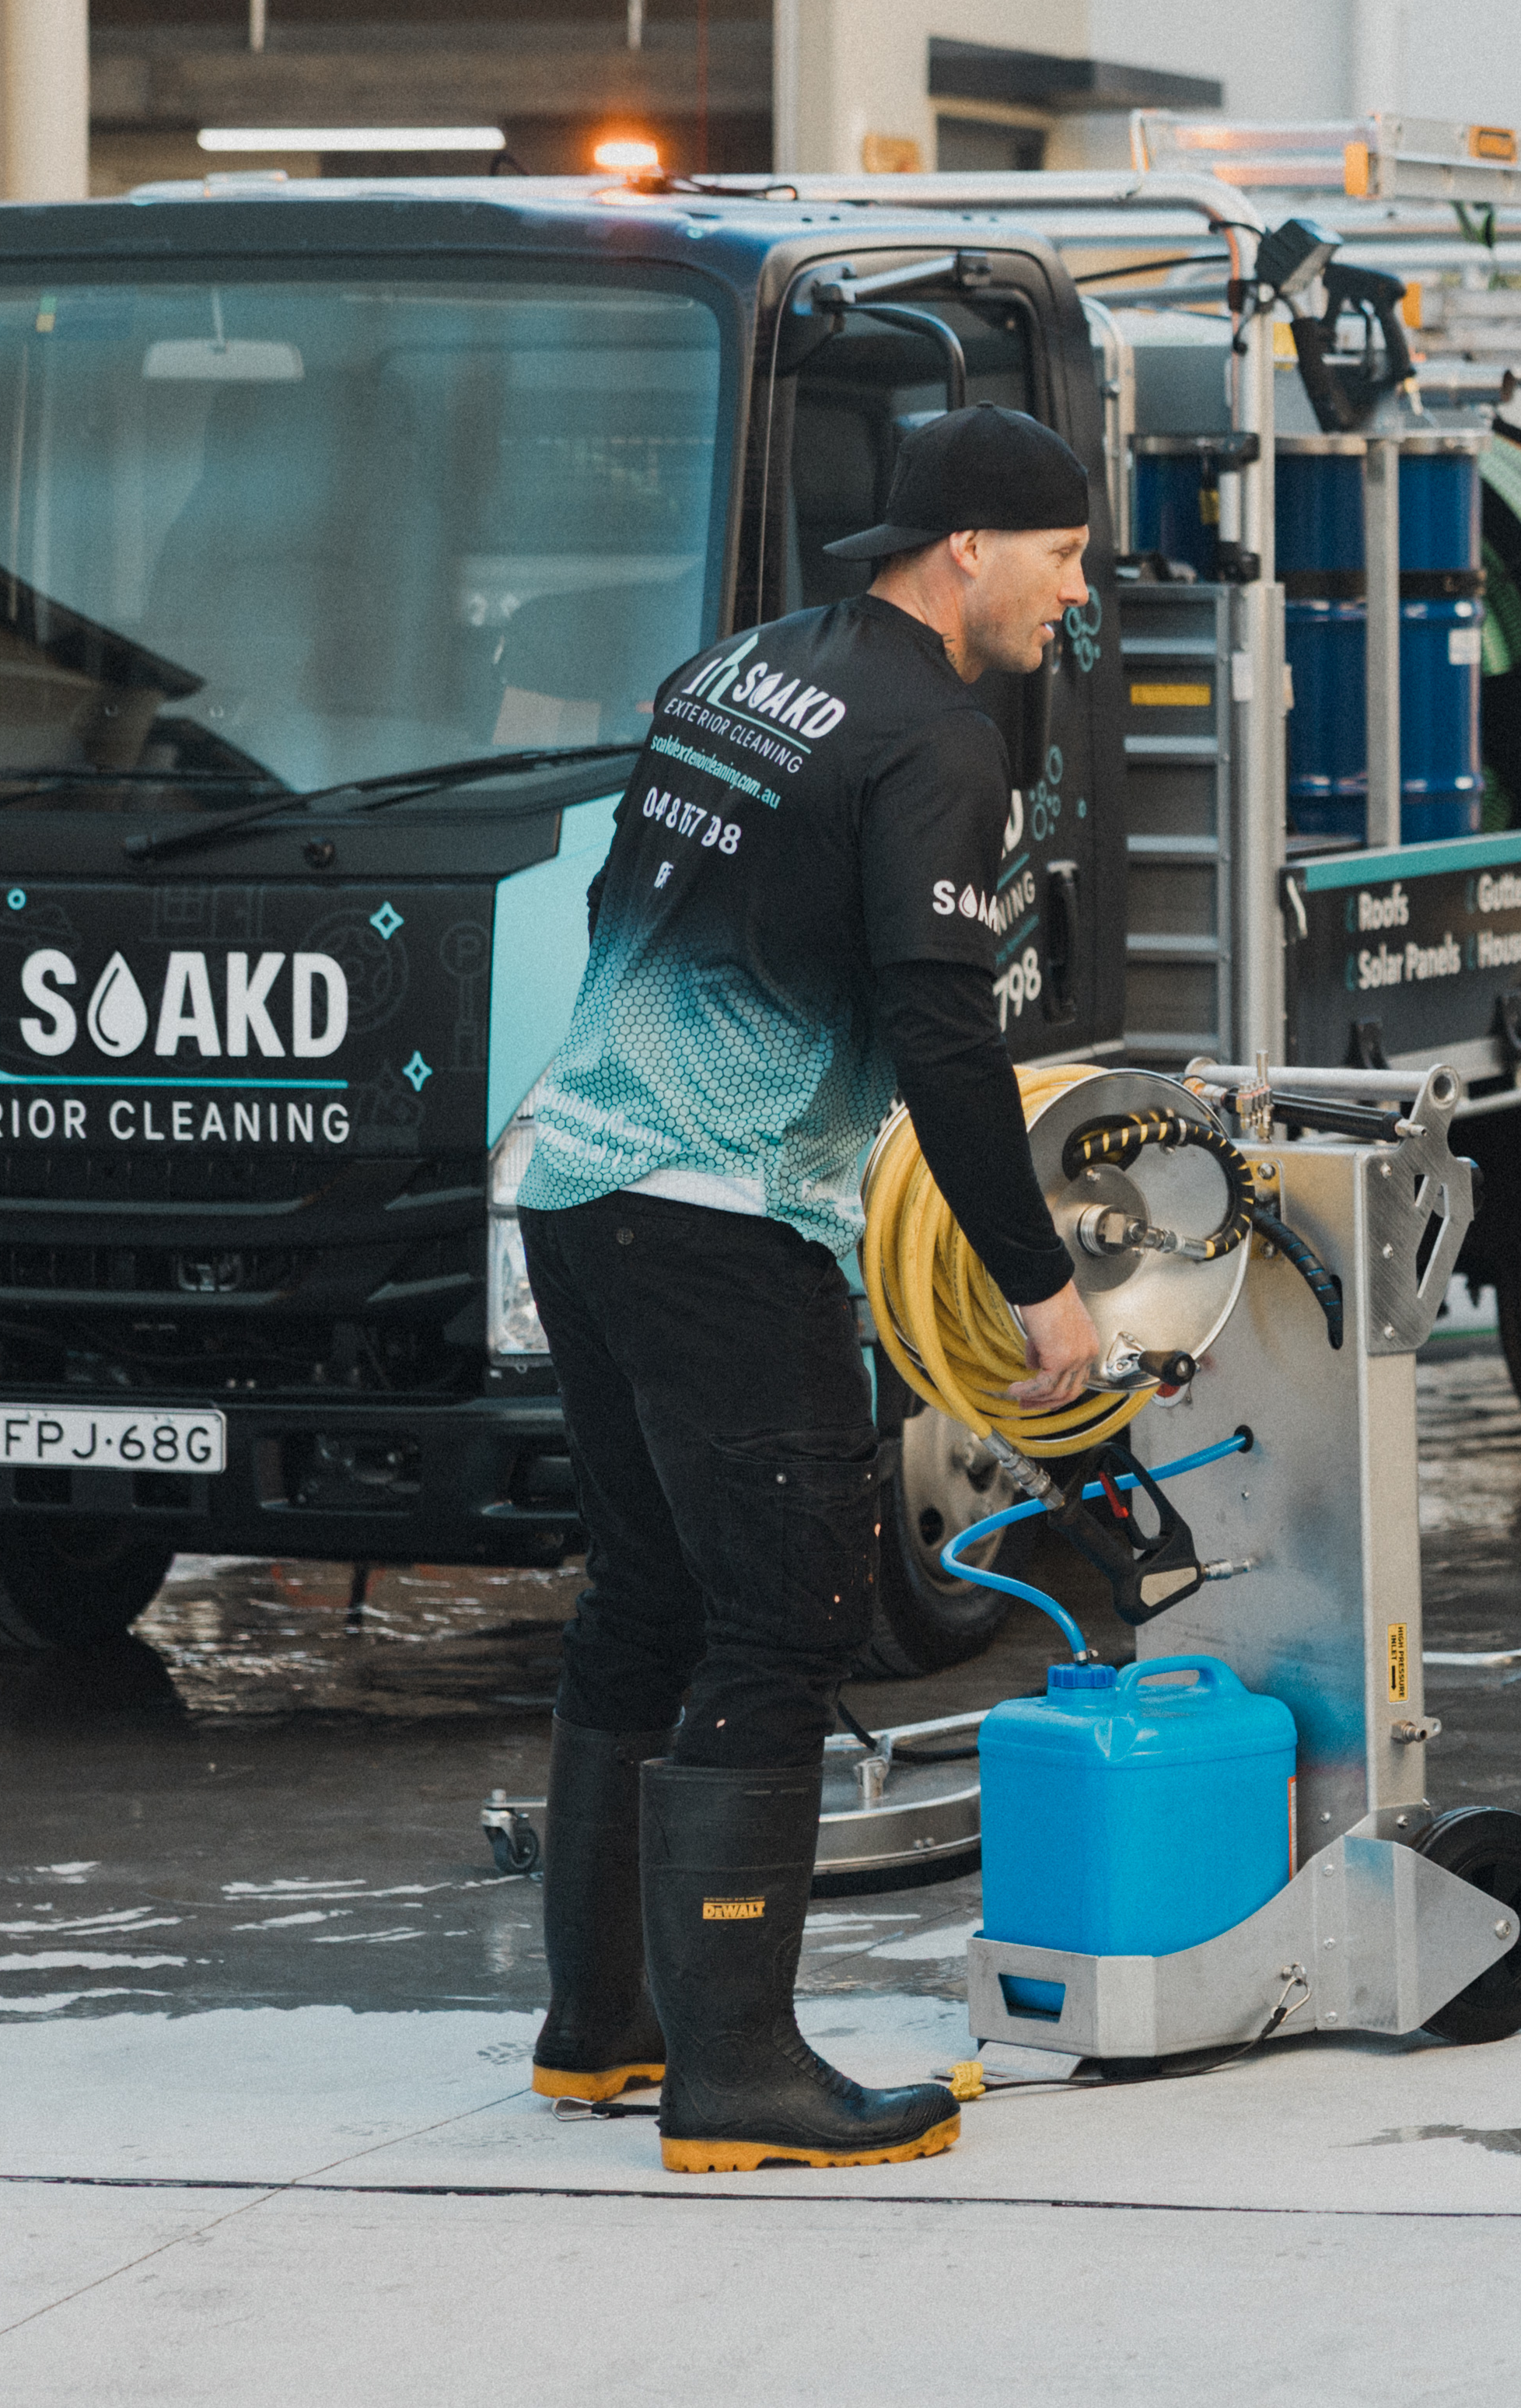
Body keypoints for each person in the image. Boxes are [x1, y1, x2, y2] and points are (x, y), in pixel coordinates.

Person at [511, 404, 1103, 2172]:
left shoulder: (738, 669)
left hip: (578, 1178)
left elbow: (618, 899)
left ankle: (601, 2028)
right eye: (1065, 555)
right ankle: (740, 2077)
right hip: (723, 1216)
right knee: (782, 1619)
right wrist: (1038, 1283)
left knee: (643, 1596)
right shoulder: (939, 738)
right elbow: (944, 1029)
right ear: (970, 546)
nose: (1077, 593)